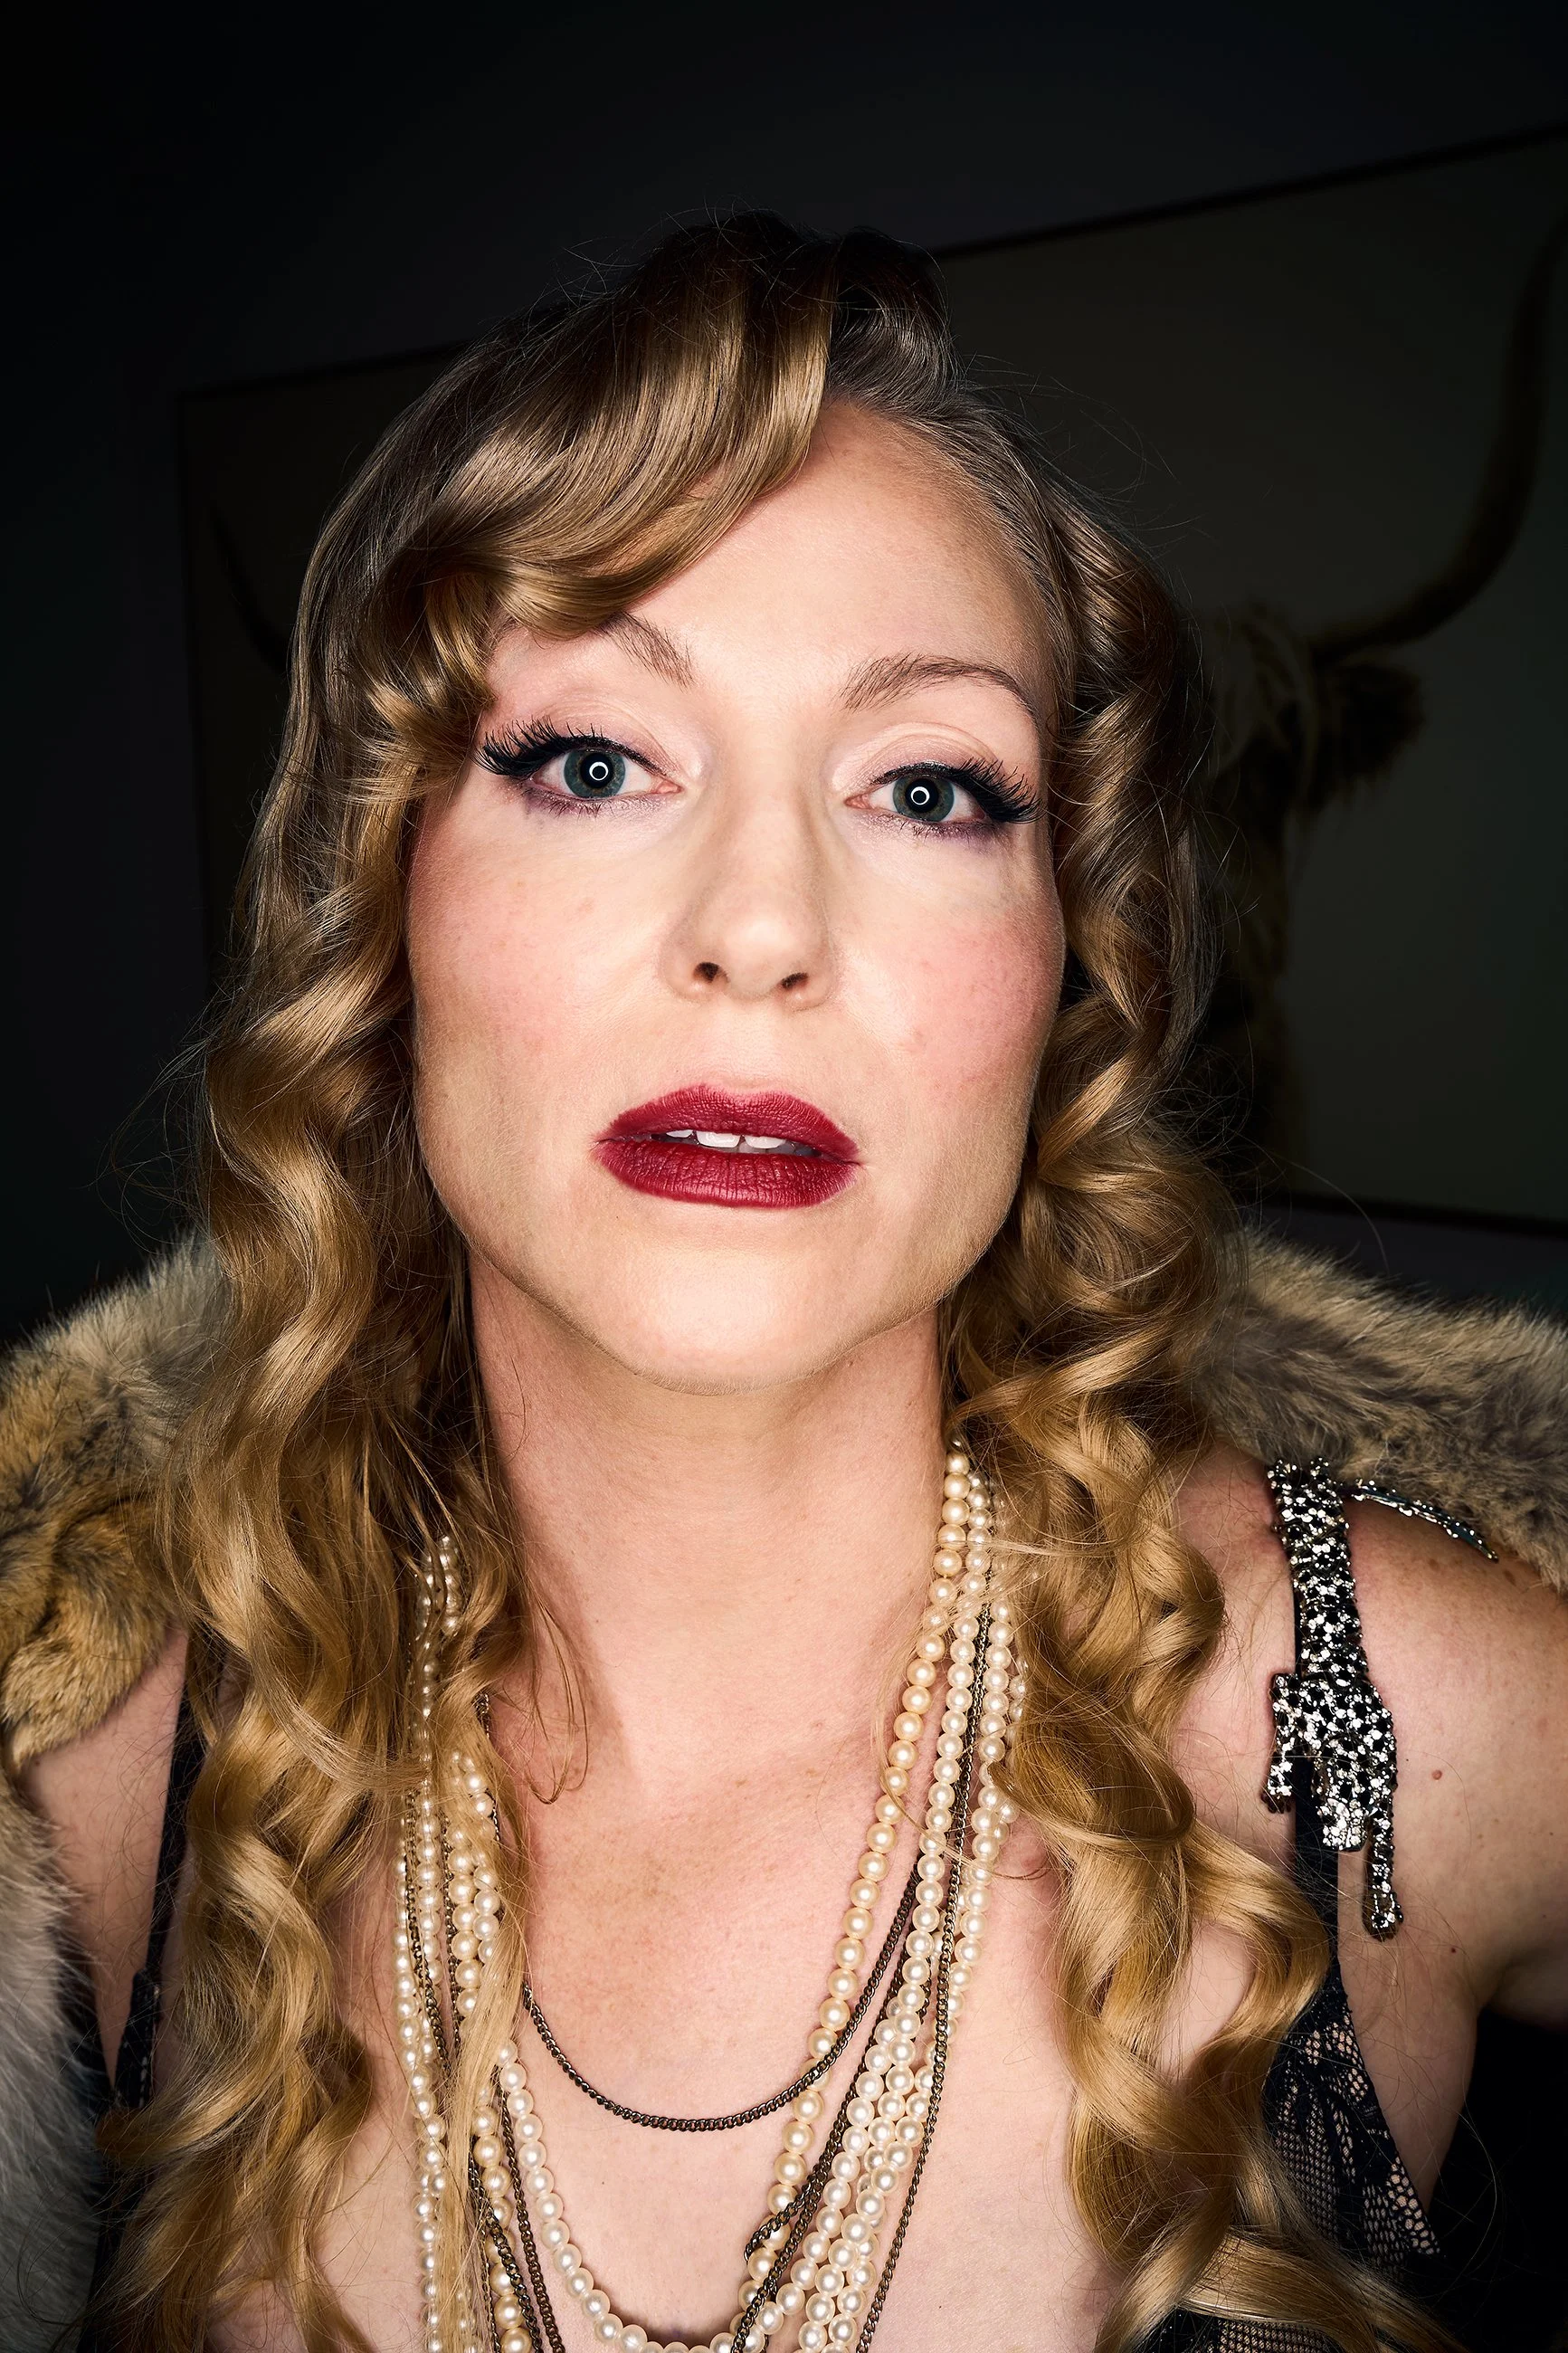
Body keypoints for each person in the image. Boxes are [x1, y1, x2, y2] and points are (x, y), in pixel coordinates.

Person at [3, 213, 1567, 2353]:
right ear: (385, 908)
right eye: (589, 762)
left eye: (928, 788)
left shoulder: (1405, 1726)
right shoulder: (95, 1805)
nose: (759, 925)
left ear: (1062, 970)